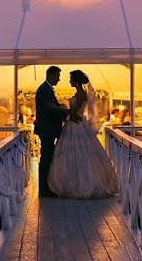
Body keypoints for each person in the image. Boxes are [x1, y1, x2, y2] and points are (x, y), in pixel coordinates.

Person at [47, 70, 119, 199]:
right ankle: (75, 182)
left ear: (76, 81)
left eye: (71, 79)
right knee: (77, 154)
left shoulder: (81, 94)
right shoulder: (79, 93)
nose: (69, 81)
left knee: (77, 154)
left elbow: (74, 112)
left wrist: (58, 108)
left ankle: (80, 184)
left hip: (76, 124)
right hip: (76, 123)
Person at [34, 66, 69, 197]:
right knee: (46, 159)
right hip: (47, 130)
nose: (59, 79)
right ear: (51, 75)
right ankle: (44, 189)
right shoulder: (44, 90)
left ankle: (47, 186)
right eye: (58, 76)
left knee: (48, 158)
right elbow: (50, 110)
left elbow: (53, 107)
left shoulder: (46, 89)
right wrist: (67, 116)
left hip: (49, 129)